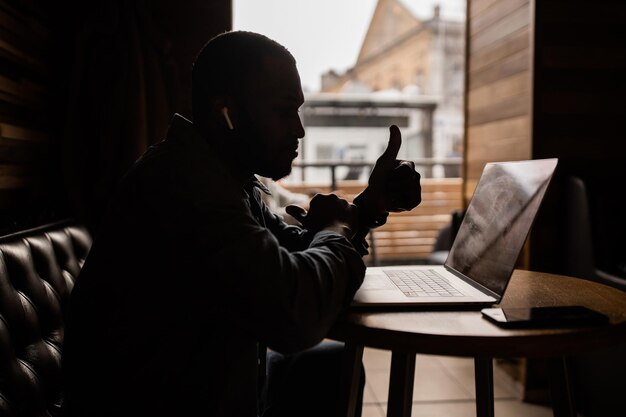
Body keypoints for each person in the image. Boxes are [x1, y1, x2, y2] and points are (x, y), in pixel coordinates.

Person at [61, 30, 421, 417]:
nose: (299, 130)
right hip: (159, 401)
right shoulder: (183, 185)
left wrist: (365, 209)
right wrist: (339, 229)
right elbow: (293, 310)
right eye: (283, 111)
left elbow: (286, 251)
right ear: (226, 114)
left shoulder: (224, 173)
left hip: (204, 377)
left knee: (330, 363)